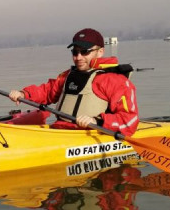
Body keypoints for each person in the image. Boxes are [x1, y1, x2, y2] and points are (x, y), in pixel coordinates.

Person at [8, 28, 139, 136]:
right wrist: (23, 94)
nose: (78, 57)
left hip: (90, 134)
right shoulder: (67, 76)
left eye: (84, 51)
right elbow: (47, 92)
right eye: (75, 52)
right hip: (60, 130)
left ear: (100, 52)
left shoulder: (115, 80)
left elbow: (129, 120)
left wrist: (96, 121)